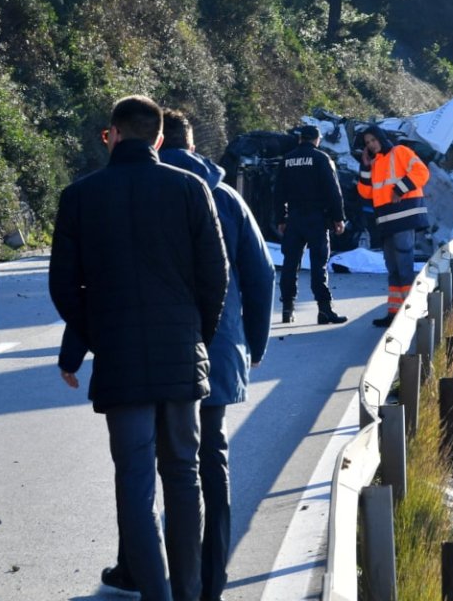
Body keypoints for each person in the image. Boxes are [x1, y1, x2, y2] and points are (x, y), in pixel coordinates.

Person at [80, 108, 274, 600]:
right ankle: (209, 583)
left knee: (140, 465)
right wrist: (253, 342)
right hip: (215, 350)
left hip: (149, 350)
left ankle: (138, 571)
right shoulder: (225, 197)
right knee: (206, 466)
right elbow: (260, 273)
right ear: (189, 144)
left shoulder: (133, 189)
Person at [51, 96, 229, 601]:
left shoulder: (80, 196)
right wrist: (197, 335)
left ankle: (155, 593)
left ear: (112, 134)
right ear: (157, 138)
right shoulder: (191, 188)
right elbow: (215, 277)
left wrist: (98, 333)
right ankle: (189, 593)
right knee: (183, 476)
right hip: (180, 354)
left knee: (134, 480)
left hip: (120, 360)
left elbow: (65, 286)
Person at [357, 124, 430, 327]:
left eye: (373, 140)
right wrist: (364, 166)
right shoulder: (375, 162)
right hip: (387, 221)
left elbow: (422, 172)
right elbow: (366, 193)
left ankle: (411, 312)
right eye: (368, 143)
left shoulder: (400, 151)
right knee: (394, 269)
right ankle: (394, 313)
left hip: (404, 217)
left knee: (404, 267)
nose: (371, 145)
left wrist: (400, 188)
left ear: (381, 137)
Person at [274, 124, 348, 325]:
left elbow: (278, 192)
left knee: (290, 264)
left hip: (294, 219)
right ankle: (324, 310)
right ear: (317, 140)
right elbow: (333, 191)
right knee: (318, 265)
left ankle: (287, 308)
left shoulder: (287, 160)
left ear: (300, 139)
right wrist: (338, 218)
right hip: (316, 219)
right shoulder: (321, 158)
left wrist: (281, 219)